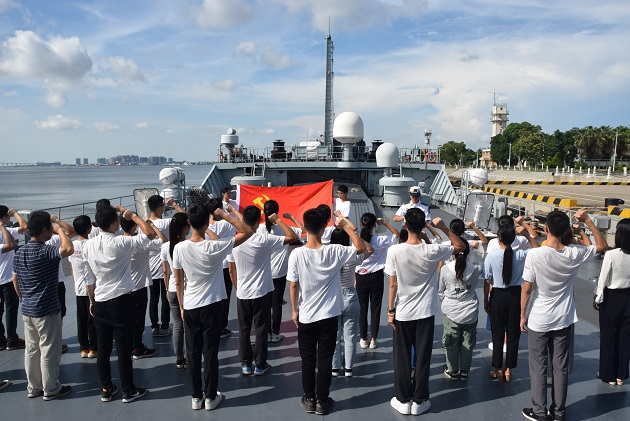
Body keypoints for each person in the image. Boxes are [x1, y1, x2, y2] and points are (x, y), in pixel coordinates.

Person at [520, 209, 607, 421]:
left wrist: (522, 314)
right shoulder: (574, 253)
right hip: (564, 318)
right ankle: (559, 411)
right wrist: (587, 220)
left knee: (538, 366)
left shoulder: (535, 254)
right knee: (560, 367)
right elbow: (602, 245)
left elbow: (527, 288)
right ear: (565, 230)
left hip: (540, 318)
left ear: (546, 228)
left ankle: (540, 411)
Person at [173, 205, 252, 411]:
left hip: (190, 305)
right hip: (213, 304)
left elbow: (179, 282)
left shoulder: (179, 248)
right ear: (207, 223)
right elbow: (247, 231)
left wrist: (181, 306)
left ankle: (195, 397)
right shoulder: (215, 246)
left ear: (189, 223)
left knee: (192, 353)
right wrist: (224, 215)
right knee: (210, 352)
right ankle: (210, 397)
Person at [385, 209, 464, 415]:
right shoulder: (432, 250)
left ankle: (403, 400)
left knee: (402, 358)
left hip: (403, 313)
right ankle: (420, 401)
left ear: (405, 225)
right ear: (423, 227)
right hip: (425, 313)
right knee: (422, 358)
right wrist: (443, 227)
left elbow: (392, 284)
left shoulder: (395, 251)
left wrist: (391, 311)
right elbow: (460, 246)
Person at [288, 210, 365, 416]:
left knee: (307, 360)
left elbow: (293, 285)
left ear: (305, 227)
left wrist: (294, 310)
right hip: (329, 316)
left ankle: (309, 398)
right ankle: (322, 401)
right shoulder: (335, 251)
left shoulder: (297, 254)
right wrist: (347, 226)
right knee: (325, 359)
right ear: (324, 228)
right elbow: (360, 247)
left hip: (306, 316)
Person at [84, 205, 157, 403]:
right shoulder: (121, 242)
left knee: (103, 349)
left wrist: (91, 300)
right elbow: (149, 234)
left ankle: (106, 388)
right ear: (115, 222)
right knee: (123, 349)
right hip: (121, 301)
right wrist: (134, 216)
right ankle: (128, 390)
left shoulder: (88, 245)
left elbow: (89, 277)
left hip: (100, 301)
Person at [12, 211, 74, 400]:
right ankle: (51, 388)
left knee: (31, 351)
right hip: (47, 309)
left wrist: (22, 298)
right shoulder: (45, 251)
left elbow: (15, 279)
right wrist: (59, 229)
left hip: (27, 310)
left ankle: (33, 388)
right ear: (44, 230)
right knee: (49, 350)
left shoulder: (20, 252)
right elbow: (68, 248)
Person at [231, 205, 298, 376]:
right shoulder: (263, 240)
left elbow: (232, 270)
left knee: (244, 329)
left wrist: (238, 288)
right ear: (257, 222)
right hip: (261, 291)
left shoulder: (234, 242)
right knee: (261, 329)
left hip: (243, 293)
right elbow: (293, 236)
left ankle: (245, 364)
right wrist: (278, 220)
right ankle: (260, 365)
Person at [484, 223, 538, 382]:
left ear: (498, 239)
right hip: (515, 295)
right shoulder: (521, 255)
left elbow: (487, 280)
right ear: (514, 239)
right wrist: (527, 235)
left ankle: (497, 368)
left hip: (497, 296)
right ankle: (508, 369)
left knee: (497, 334)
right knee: (513, 334)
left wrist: (486, 300)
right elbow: (537, 249)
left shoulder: (491, 257)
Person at [120, 215, 166, 360]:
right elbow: (164, 241)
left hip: (123, 288)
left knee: (127, 320)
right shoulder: (141, 244)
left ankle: (128, 347)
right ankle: (137, 348)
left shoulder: (118, 242)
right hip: (138, 287)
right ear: (134, 226)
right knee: (138, 320)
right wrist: (152, 226)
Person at [259, 200, 304, 343]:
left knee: (265, 305)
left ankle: (266, 332)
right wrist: (290, 217)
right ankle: (276, 332)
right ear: (276, 212)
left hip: (264, 273)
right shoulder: (284, 229)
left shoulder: (259, 229)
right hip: (279, 273)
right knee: (277, 304)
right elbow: (302, 230)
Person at [331, 228, 373, 377]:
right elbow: (370, 249)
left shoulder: (328, 258)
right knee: (350, 336)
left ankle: (335, 367)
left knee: (335, 336)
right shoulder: (352, 255)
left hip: (333, 298)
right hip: (350, 296)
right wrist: (354, 234)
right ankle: (348, 368)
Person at [438, 240, 482, 381]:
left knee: (451, 343)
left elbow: (441, 291)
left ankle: (453, 371)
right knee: (468, 342)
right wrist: (476, 248)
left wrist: (447, 303)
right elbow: (483, 257)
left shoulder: (445, 269)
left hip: (451, 311)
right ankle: (464, 371)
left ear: (453, 253)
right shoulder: (475, 268)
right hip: (470, 311)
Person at [355, 212, 399, 349]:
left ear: (361, 223)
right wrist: (385, 223)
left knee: (362, 308)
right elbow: (397, 235)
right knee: (376, 307)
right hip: (376, 277)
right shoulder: (380, 240)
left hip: (360, 277)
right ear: (374, 225)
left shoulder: (356, 241)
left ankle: (363, 338)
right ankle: (373, 338)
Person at [594, 217, 630, 386]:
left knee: (608, 336)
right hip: (628, 296)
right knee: (625, 338)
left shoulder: (611, 254)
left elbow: (603, 279)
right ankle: (621, 375)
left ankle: (608, 374)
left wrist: (597, 297)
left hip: (611, 298)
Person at [147, 195, 185, 337]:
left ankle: (154, 326)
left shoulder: (145, 224)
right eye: (163, 206)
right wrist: (174, 204)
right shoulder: (165, 222)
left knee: (153, 298)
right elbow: (184, 216)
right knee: (165, 298)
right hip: (165, 266)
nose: (164, 208)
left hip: (150, 267)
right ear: (158, 208)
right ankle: (164, 326)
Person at [207, 198, 243, 339]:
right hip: (225, 265)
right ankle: (221, 326)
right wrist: (232, 211)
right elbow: (242, 223)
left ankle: (211, 324)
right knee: (224, 297)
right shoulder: (226, 224)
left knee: (211, 296)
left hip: (210, 266)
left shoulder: (205, 226)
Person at [161, 212, 190, 369]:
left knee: (177, 325)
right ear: (185, 228)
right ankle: (191, 355)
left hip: (172, 289)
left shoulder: (165, 246)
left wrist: (166, 288)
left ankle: (179, 357)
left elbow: (165, 271)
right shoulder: (187, 246)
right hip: (187, 290)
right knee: (189, 326)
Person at [68, 215, 98, 358]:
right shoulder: (91, 244)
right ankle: (94, 348)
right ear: (89, 228)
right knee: (93, 319)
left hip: (78, 288)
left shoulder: (72, 245)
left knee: (81, 319)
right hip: (93, 288)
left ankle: (84, 348)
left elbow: (72, 268)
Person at [0, 205, 27, 351]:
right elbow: (25, 227)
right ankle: (12, 339)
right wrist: (15, 213)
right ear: (4, 218)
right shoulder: (8, 232)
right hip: (8, 278)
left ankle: (1, 340)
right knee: (11, 309)